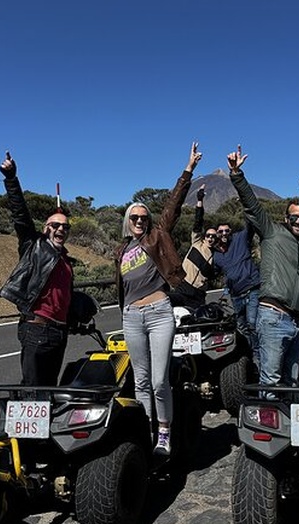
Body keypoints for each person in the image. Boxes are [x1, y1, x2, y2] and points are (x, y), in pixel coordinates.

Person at [115, 142, 198, 455]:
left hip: (160, 312)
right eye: (134, 218)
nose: (139, 221)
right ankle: (144, 430)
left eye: (143, 218)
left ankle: (164, 432)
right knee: (140, 380)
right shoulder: (121, 251)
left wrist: (188, 170)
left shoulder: (156, 235)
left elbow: (172, 206)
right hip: (131, 317)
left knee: (160, 380)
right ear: (127, 221)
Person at [226, 146, 299, 389]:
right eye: (293, 217)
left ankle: (291, 425)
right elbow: (252, 206)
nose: (297, 221)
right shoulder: (272, 233)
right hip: (273, 316)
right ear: (286, 219)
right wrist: (236, 175)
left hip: (298, 322)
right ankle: (271, 427)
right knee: (271, 381)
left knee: (292, 381)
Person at [0, 151, 78, 387]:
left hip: (59, 333)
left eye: (65, 226)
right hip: (36, 329)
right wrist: (11, 178)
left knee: (49, 391)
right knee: (33, 393)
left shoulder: (65, 259)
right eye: (55, 225)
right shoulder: (34, 246)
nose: (61, 229)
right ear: (46, 228)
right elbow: (20, 215)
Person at [211, 218, 261, 355]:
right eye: (221, 231)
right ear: (217, 233)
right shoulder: (216, 255)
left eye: (227, 230)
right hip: (236, 295)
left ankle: (258, 353)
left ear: (231, 231)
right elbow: (213, 272)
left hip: (251, 289)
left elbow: (251, 225)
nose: (224, 233)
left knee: (252, 323)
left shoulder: (240, 238)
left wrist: (246, 203)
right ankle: (249, 353)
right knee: (241, 326)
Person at [169, 184, 216, 309]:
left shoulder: (215, 255)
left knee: (198, 324)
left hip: (198, 295)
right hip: (183, 288)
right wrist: (200, 200)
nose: (211, 238)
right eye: (208, 235)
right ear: (204, 236)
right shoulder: (196, 242)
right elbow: (198, 222)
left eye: (214, 236)